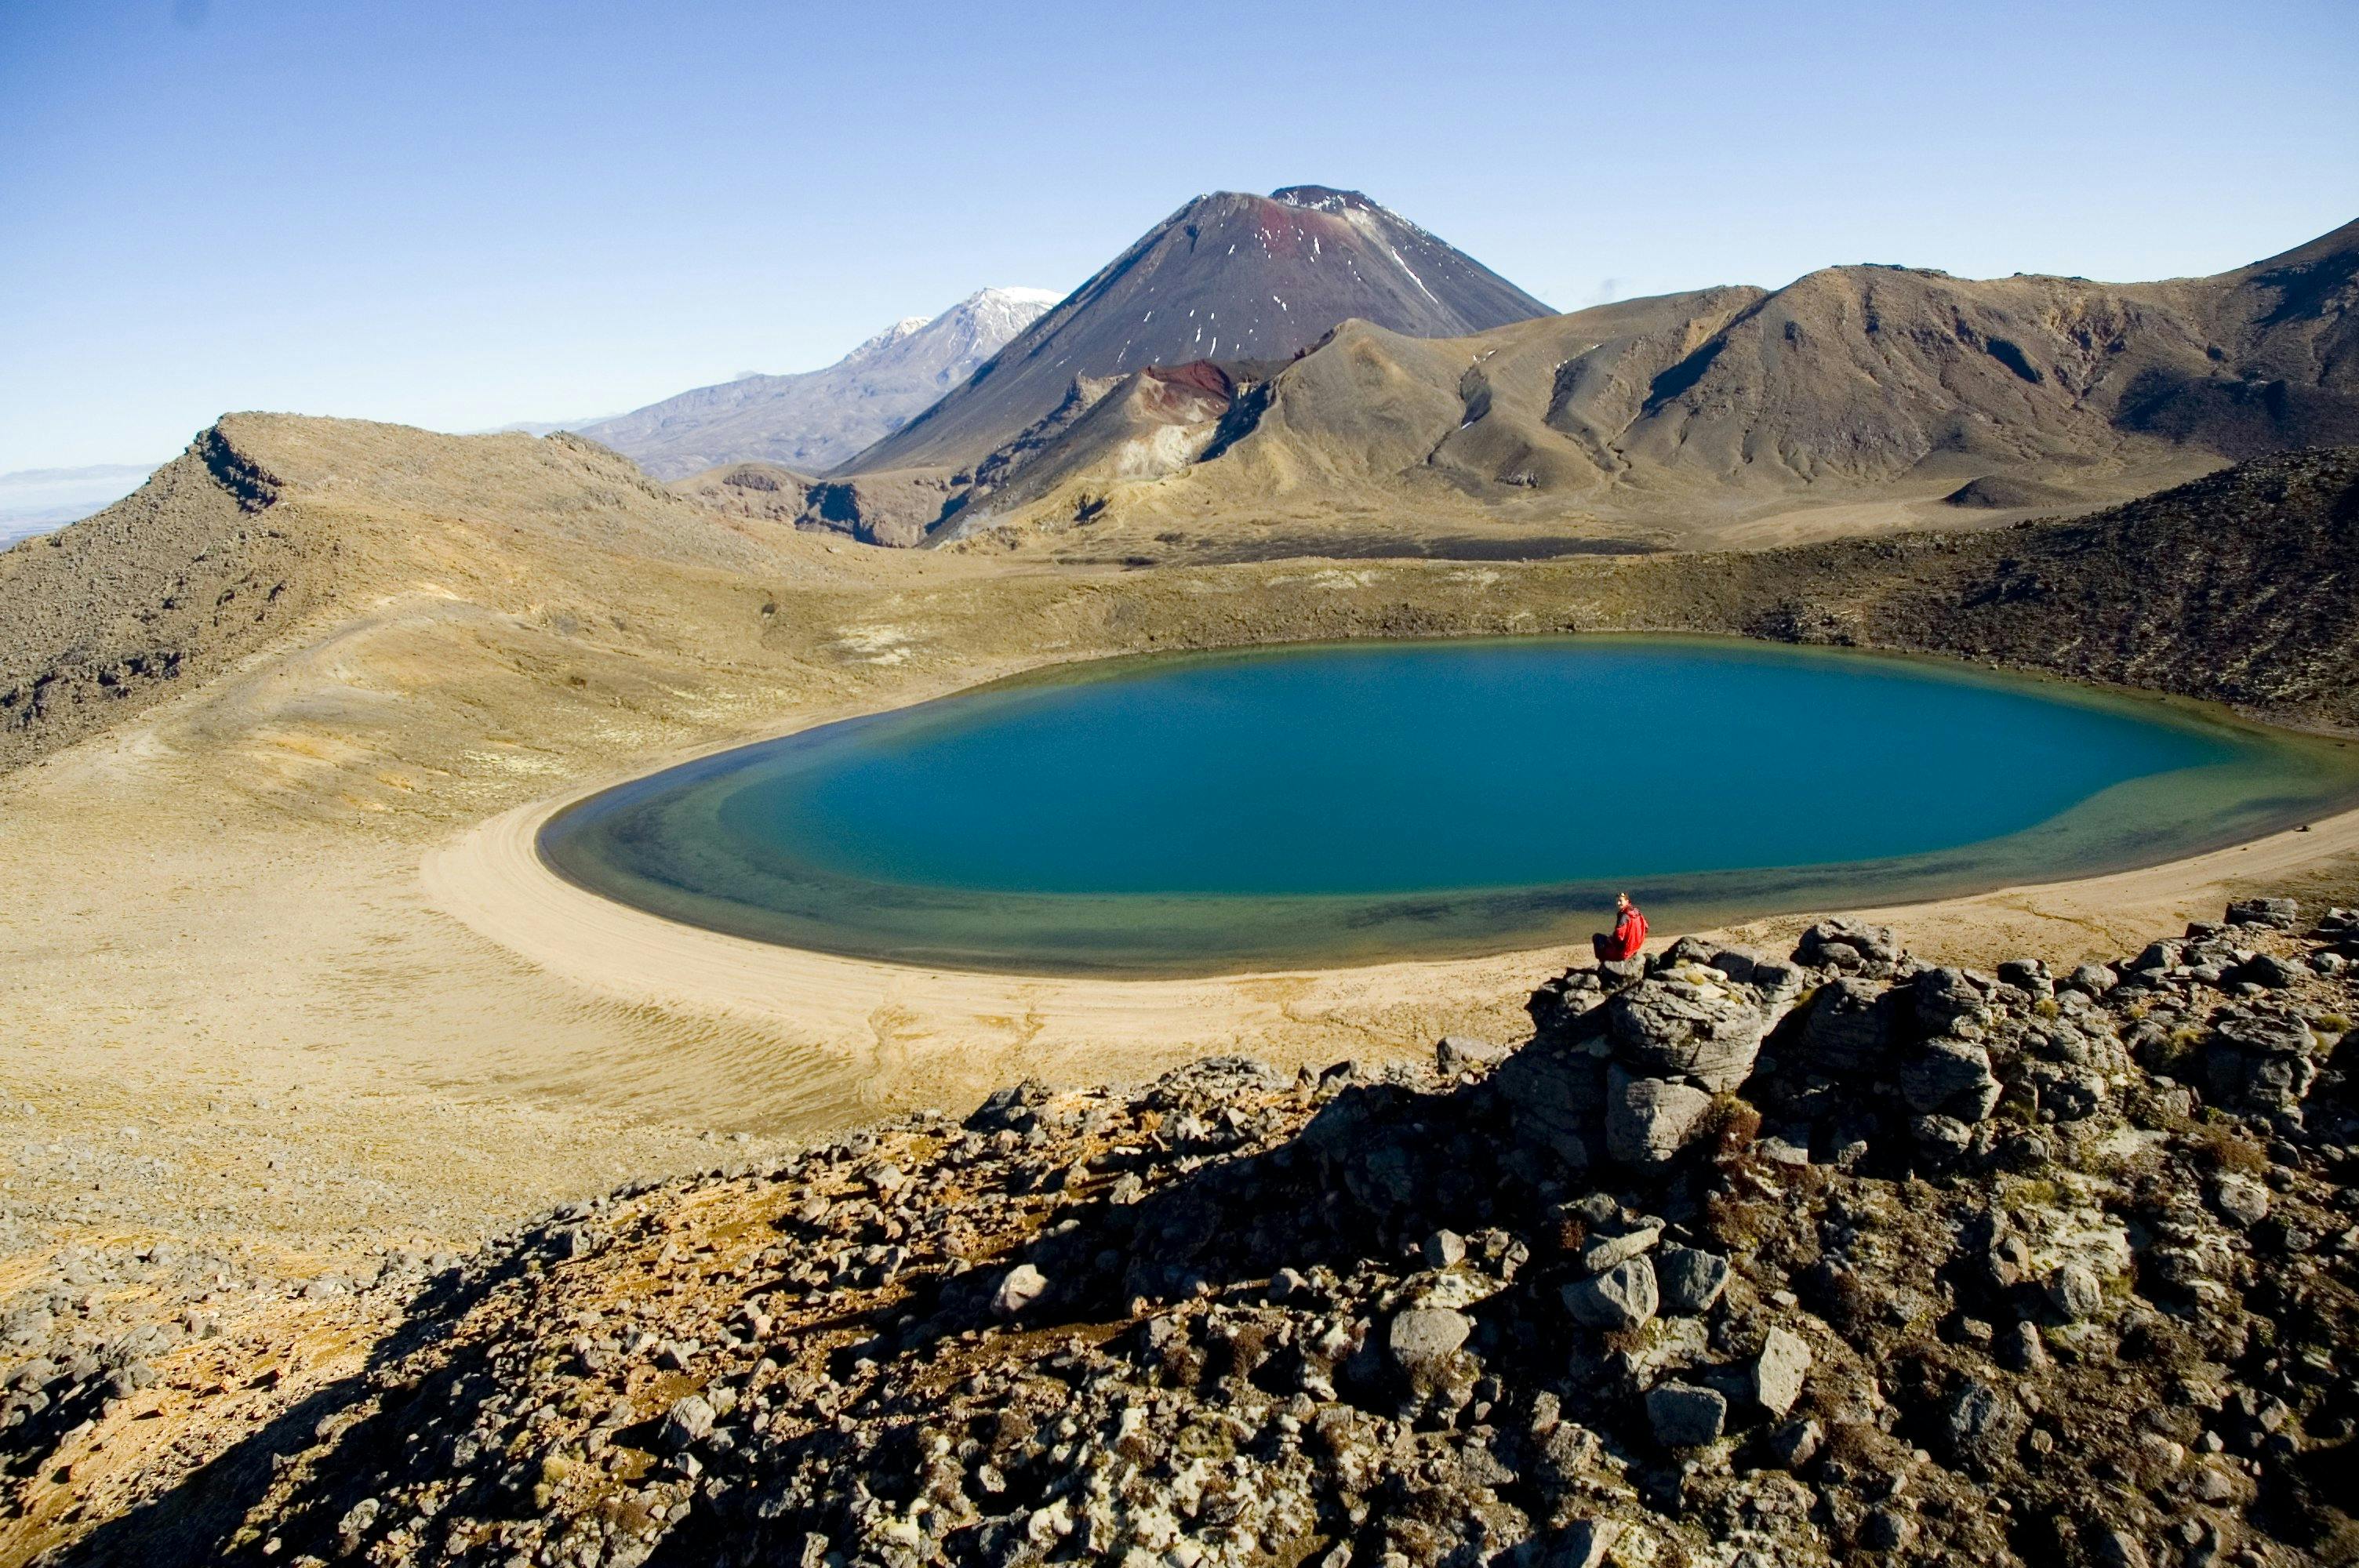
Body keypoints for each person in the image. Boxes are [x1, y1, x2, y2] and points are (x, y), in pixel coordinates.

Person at [1593, 892, 1648, 962]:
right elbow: (1646, 927)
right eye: (1617, 901)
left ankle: (1604, 964)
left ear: (1627, 901)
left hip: (1624, 952)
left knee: (1597, 937)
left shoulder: (1624, 917)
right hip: (1635, 948)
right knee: (1608, 937)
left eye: (1620, 901)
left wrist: (1610, 940)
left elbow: (1619, 938)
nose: (1618, 903)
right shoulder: (1637, 912)